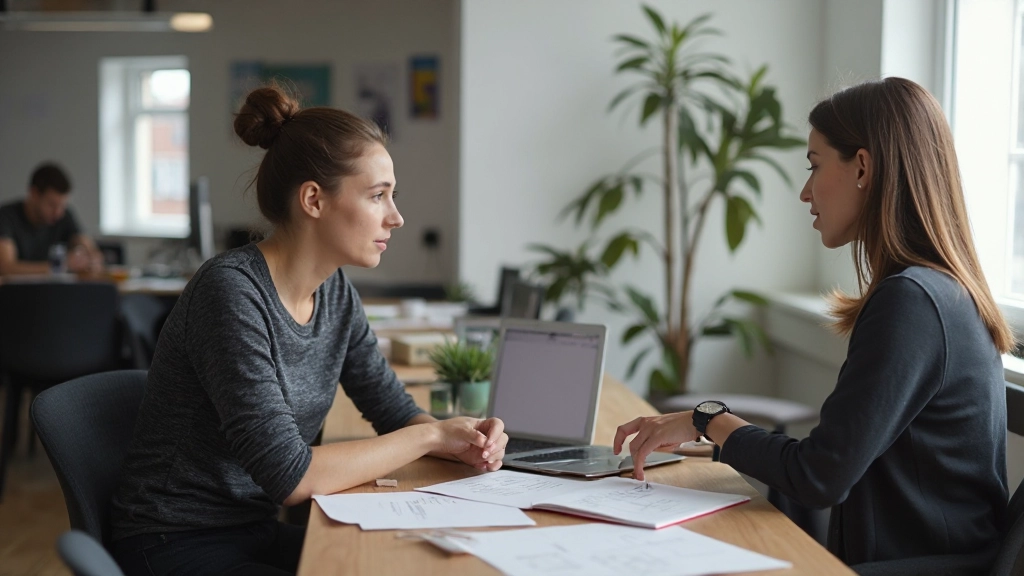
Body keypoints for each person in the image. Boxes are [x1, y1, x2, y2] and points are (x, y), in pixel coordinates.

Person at [614, 77, 1012, 574]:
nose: (805, 192)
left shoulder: (912, 302)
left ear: (863, 167)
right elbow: (824, 463)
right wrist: (708, 422)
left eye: (814, 165)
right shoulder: (938, 293)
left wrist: (707, 418)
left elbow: (819, 476)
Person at [109, 85, 509, 576]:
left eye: (393, 196)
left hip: (250, 530)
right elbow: (291, 477)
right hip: (174, 541)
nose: (396, 217)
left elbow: (394, 412)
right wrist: (428, 440)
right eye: (377, 196)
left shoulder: (335, 292)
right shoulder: (230, 293)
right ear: (314, 200)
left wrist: (462, 440)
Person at [0, 162, 103, 275]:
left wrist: (90, 260)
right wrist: (60, 266)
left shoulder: (63, 215)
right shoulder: (6, 217)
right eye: (51, 205)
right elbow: (6, 268)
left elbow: (90, 249)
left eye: (62, 206)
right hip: (16, 292)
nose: (58, 212)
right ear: (34, 193)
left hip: (54, 290)